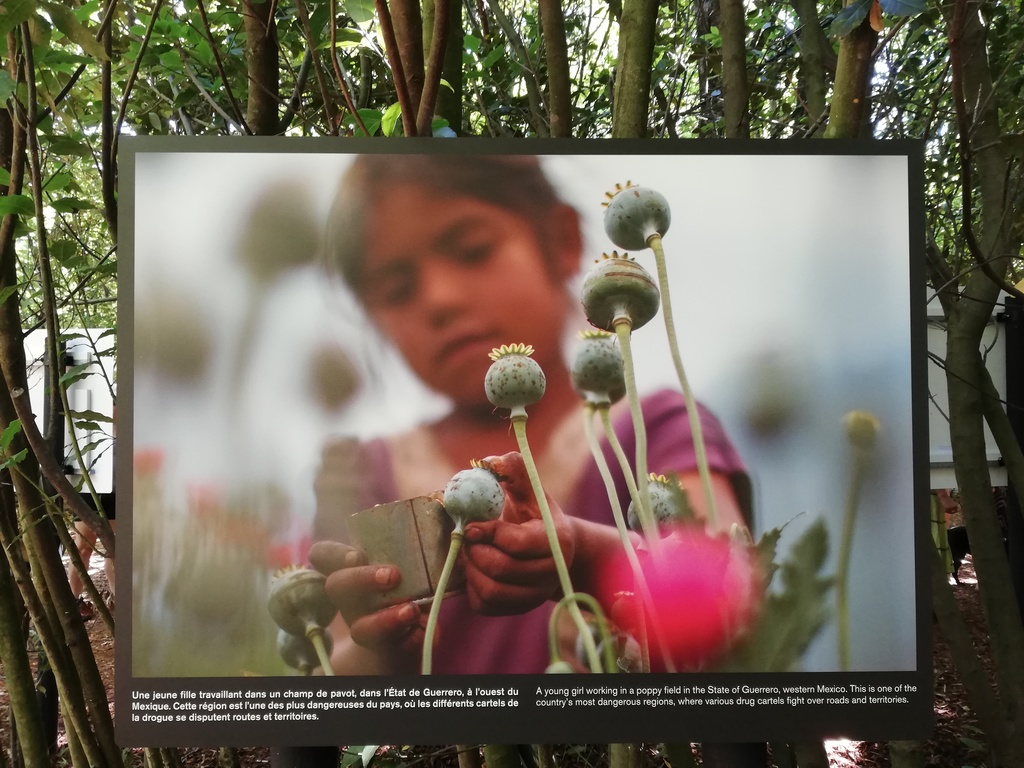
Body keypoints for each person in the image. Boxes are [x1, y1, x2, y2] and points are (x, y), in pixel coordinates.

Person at [308, 154, 752, 675]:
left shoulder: (658, 430)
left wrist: (589, 557)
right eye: (397, 290)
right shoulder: (362, 473)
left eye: (473, 251)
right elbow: (328, 668)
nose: (440, 300)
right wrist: (376, 649)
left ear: (562, 241)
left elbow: (738, 595)